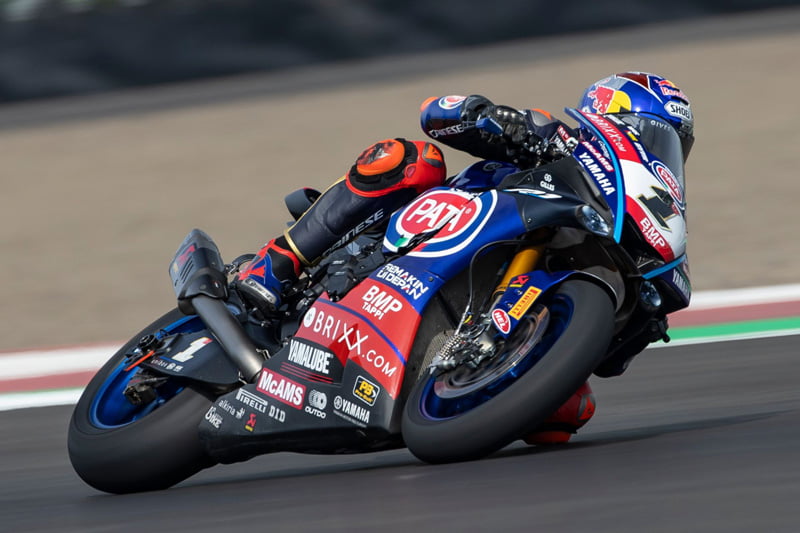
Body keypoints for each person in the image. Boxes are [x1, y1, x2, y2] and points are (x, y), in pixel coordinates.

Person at [237, 71, 695, 443]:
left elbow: (610, 362)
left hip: (508, 303)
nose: (653, 151)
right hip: (417, 232)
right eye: (651, 133)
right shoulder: (549, 134)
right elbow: (436, 112)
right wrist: (486, 116)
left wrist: (645, 315)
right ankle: (276, 264)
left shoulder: (628, 214)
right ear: (608, 114)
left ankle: (460, 378)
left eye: (670, 144)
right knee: (409, 158)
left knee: (567, 415)